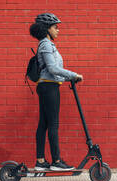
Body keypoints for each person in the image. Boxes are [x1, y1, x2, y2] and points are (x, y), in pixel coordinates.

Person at [29, 13, 83, 171]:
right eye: (55, 27)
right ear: (47, 29)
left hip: (48, 85)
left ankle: (40, 161)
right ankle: (56, 161)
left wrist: (69, 79)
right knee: (53, 124)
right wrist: (73, 74)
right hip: (49, 88)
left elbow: (51, 72)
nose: (58, 30)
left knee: (44, 124)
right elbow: (52, 69)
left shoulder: (46, 44)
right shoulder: (46, 44)